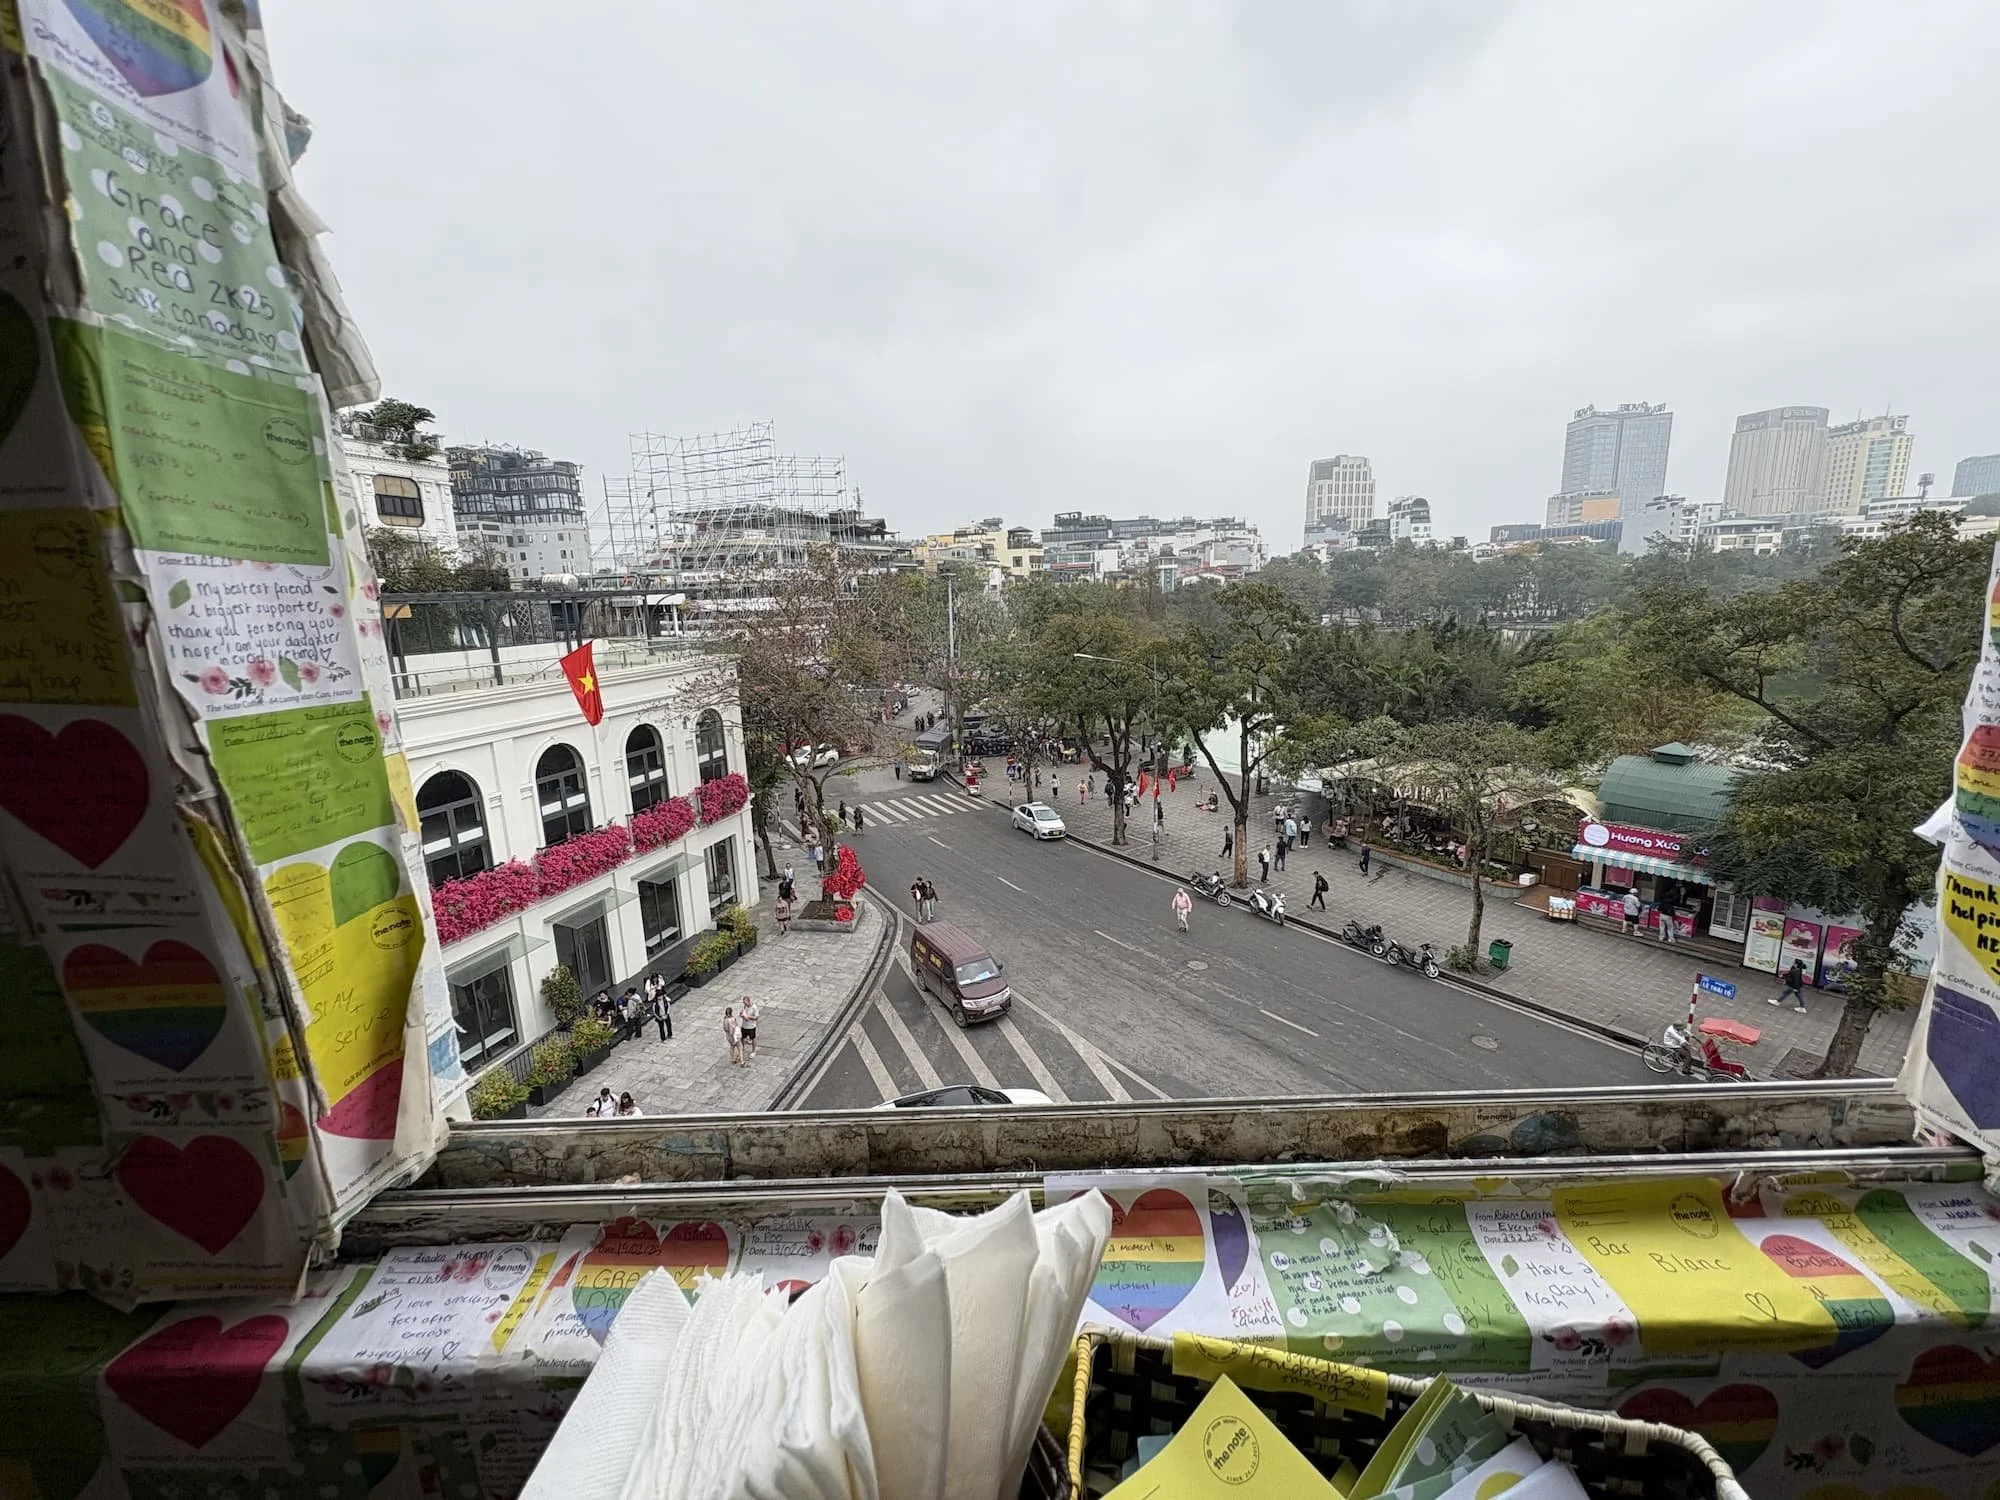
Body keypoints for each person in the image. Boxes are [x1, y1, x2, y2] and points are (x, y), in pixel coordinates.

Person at [739, 995, 759, 1060]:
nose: (744, 1004)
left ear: (749, 1001)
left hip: (751, 1027)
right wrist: (742, 1014)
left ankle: (753, 1051)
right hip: (744, 1025)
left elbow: (756, 1017)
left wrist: (748, 1017)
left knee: (753, 1038)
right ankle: (742, 1049)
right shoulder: (745, 1006)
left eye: (745, 1003)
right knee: (742, 1037)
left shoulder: (754, 1008)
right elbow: (744, 1012)